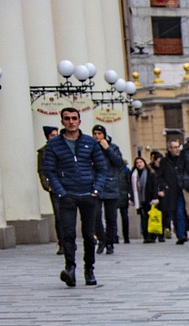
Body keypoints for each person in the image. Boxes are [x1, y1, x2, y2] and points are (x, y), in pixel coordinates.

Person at [42, 106, 107, 287]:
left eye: (74, 118)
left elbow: (101, 168)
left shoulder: (89, 142)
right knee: (68, 233)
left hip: (88, 194)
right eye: (67, 118)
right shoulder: (54, 144)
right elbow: (49, 170)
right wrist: (60, 192)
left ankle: (89, 269)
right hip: (67, 194)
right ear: (62, 121)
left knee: (88, 234)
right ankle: (70, 268)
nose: (71, 122)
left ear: (79, 121)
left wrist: (96, 190)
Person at [90, 125, 124, 255]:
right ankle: (101, 239)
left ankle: (110, 242)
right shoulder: (91, 148)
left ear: (104, 135)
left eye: (99, 133)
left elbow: (119, 163)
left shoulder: (113, 147)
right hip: (96, 186)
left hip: (110, 185)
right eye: (95, 133)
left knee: (111, 218)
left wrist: (107, 149)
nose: (97, 136)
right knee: (96, 215)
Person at [36, 126, 63, 255]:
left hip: (67, 185)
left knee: (69, 215)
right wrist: (47, 186)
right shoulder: (43, 152)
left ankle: (70, 240)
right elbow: (41, 170)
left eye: (56, 135)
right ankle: (62, 243)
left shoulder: (64, 148)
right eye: (52, 135)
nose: (55, 137)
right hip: (54, 187)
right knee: (59, 216)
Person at [159, 138, 188, 242]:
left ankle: (181, 234)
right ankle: (180, 232)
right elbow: (160, 175)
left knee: (180, 212)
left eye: (178, 147)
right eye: (175, 147)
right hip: (170, 191)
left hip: (181, 189)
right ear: (169, 149)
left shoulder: (182, 159)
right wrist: (164, 186)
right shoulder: (164, 161)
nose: (177, 149)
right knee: (173, 213)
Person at [130, 156, 158, 244]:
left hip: (149, 198)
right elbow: (131, 188)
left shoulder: (150, 173)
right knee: (143, 217)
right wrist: (132, 198)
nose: (139, 164)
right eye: (137, 163)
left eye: (140, 162)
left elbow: (154, 186)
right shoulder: (133, 175)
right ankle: (146, 235)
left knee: (150, 217)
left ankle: (152, 235)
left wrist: (155, 198)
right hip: (139, 200)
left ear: (144, 163)